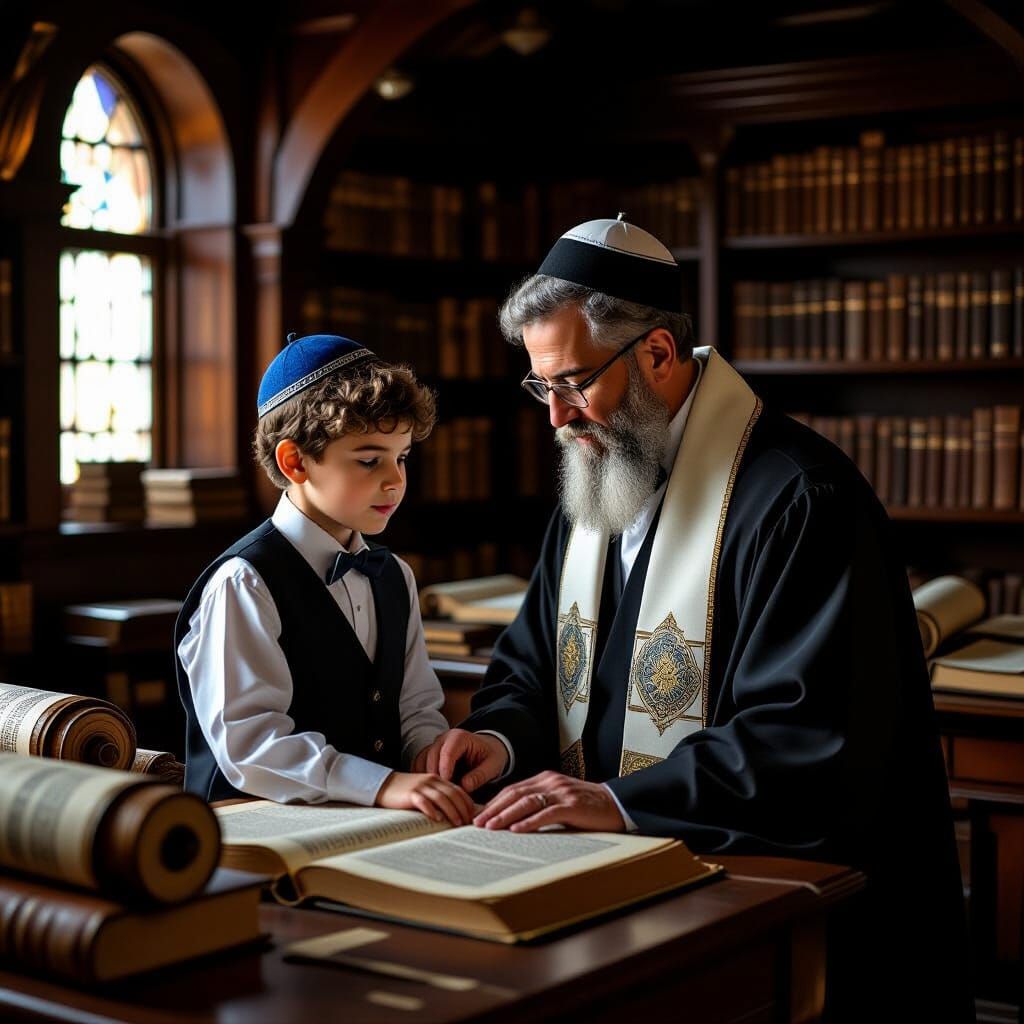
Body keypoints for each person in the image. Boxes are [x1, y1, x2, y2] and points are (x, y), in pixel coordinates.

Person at [418, 217, 973, 1019]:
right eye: (542, 387)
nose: (557, 418)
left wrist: (615, 803)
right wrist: (497, 738)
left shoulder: (798, 498)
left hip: (774, 909)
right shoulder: (598, 473)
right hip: (597, 883)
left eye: (574, 382)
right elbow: (531, 662)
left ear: (656, 354)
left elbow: (803, 736)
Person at [174, 333, 474, 827]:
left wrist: (429, 758)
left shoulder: (394, 575)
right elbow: (252, 746)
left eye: (402, 457)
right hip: (254, 833)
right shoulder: (244, 583)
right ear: (295, 462)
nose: (395, 480)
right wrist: (382, 785)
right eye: (368, 459)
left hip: (374, 824)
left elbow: (417, 707)